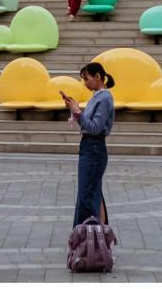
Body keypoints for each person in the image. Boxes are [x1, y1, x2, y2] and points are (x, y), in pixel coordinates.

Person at [61, 62, 115, 227]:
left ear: (98, 76)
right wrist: (74, 109)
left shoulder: (104, 98)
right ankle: (100, 236)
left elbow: (94, 128)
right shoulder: (97, 96)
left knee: (87, 195)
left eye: (87, 78)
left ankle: (88, 236)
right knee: (93, 192)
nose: (85, 83)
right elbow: (87, 124)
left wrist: (77, 111)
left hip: (94, 148)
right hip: (89, 147)